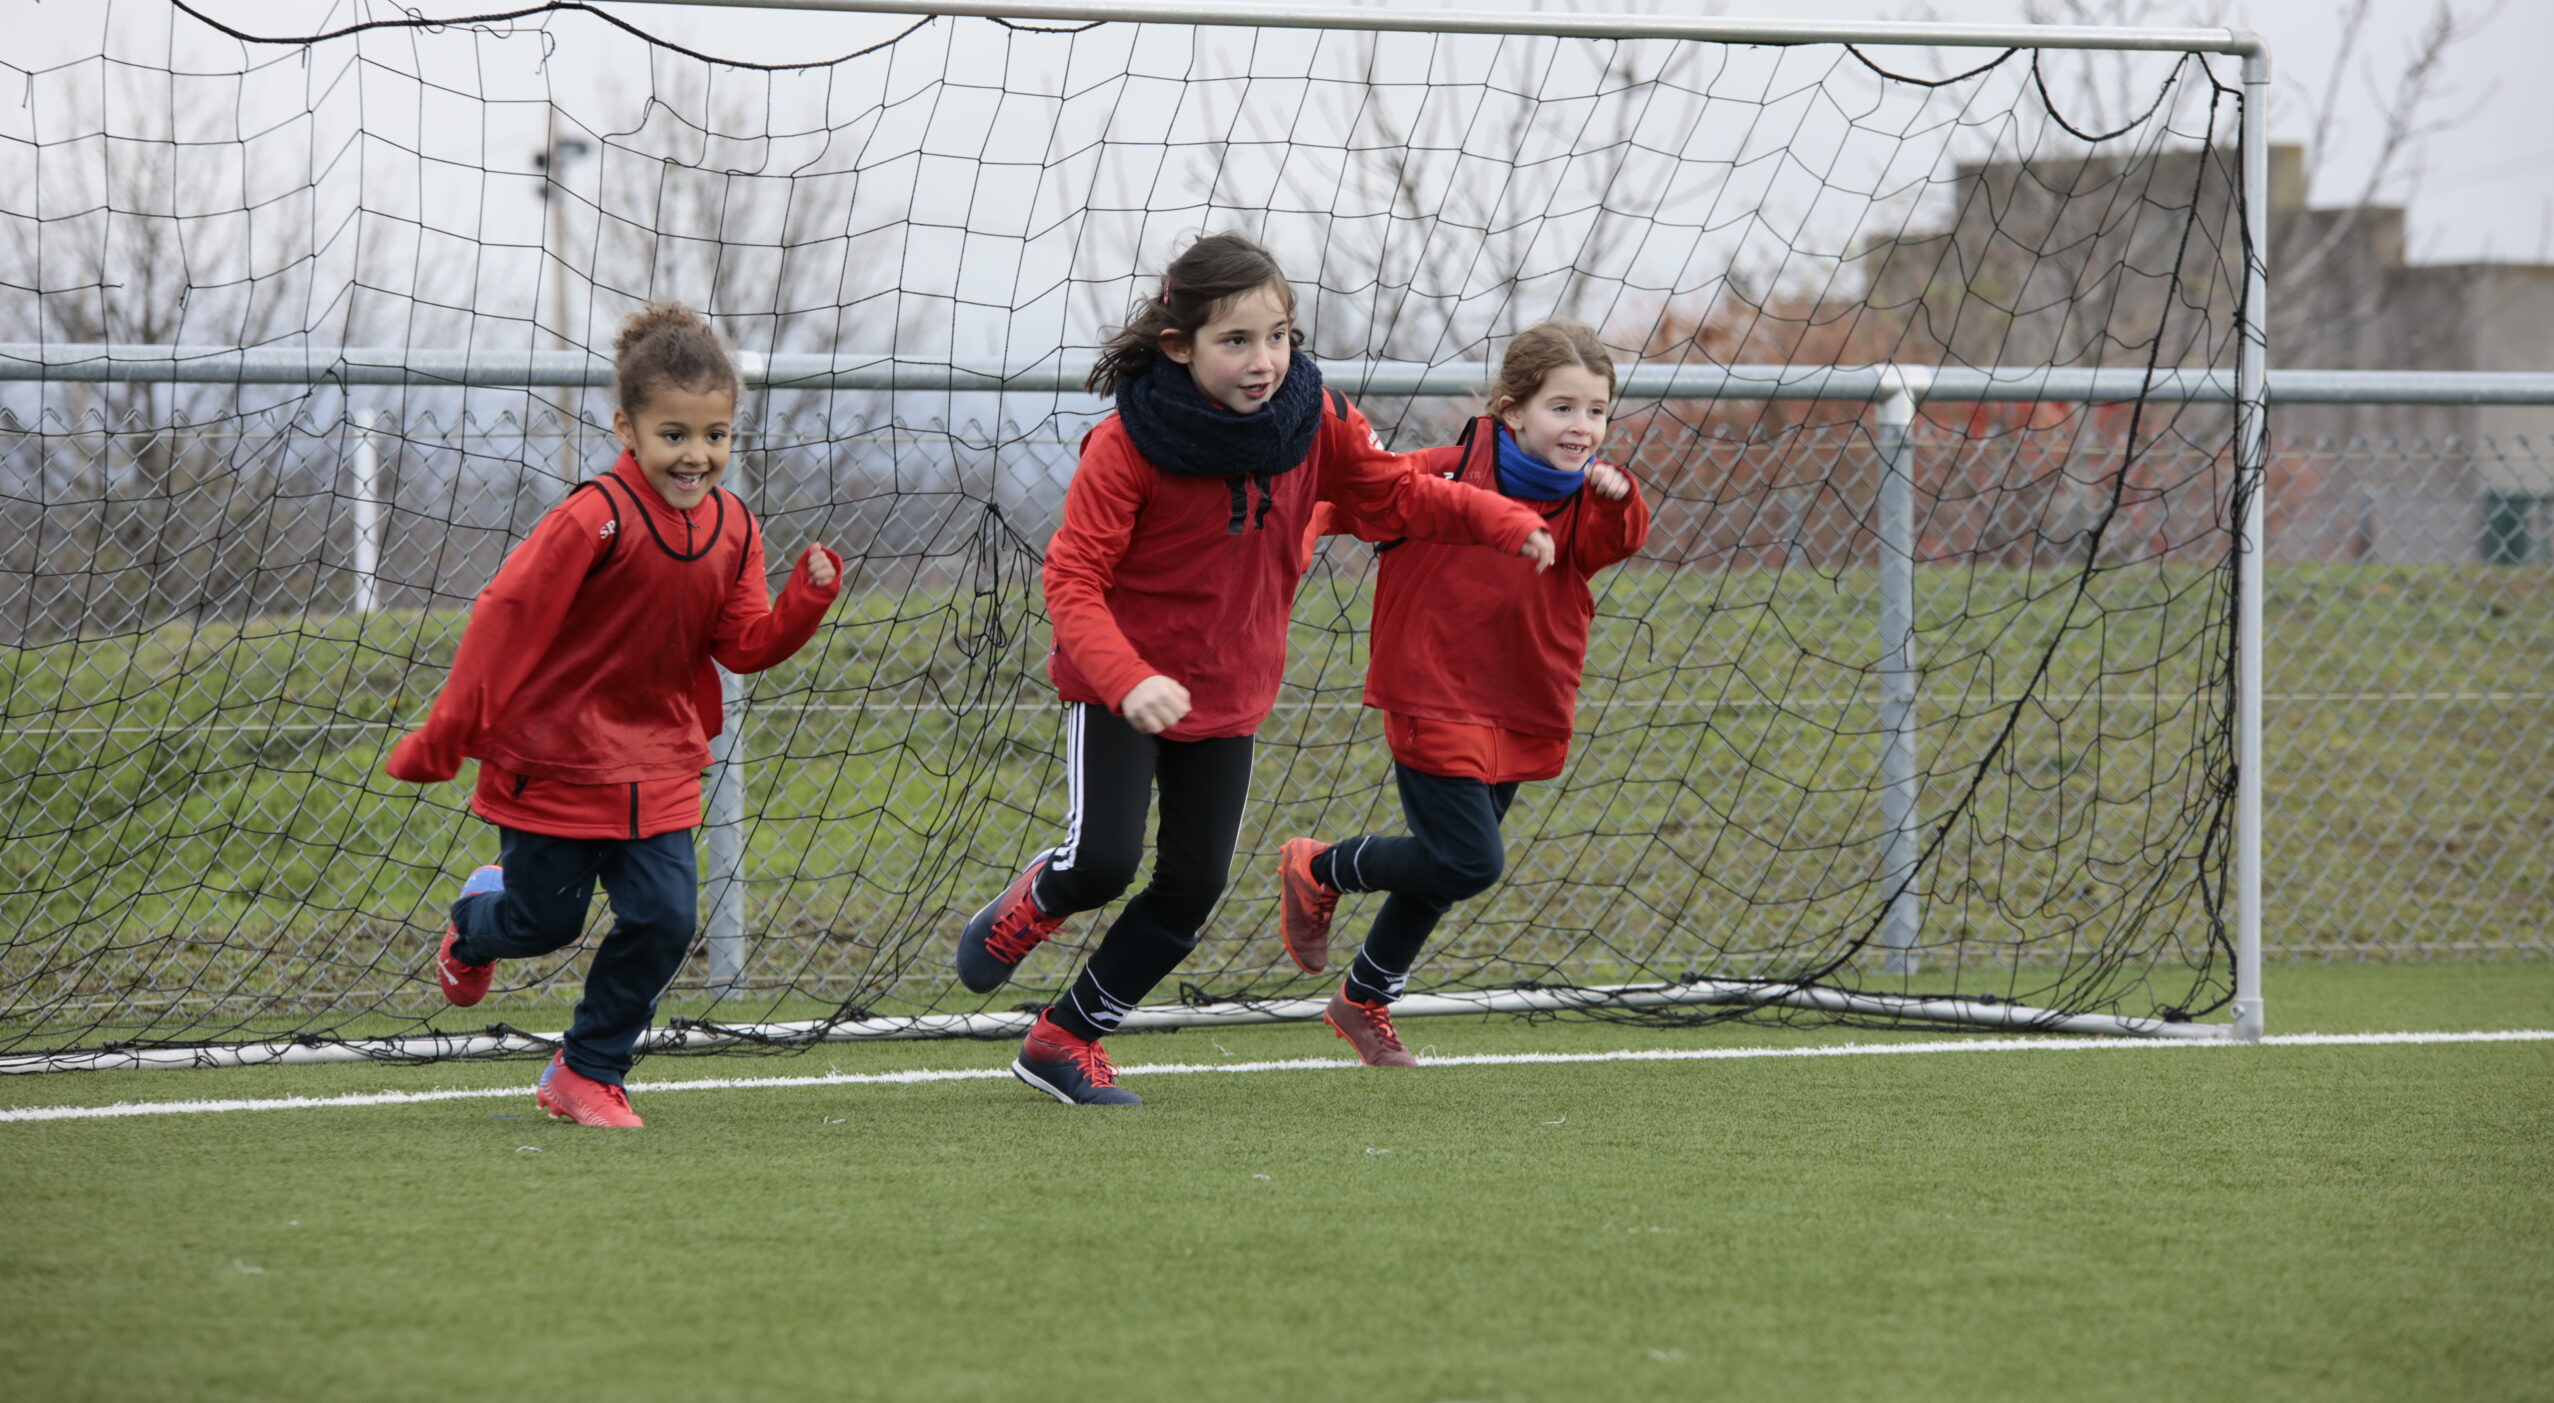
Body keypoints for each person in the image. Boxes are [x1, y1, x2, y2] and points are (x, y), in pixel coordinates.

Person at [954, 233, 1555, 1105]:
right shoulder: (1125, 445)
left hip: (1230, 694)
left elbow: (1395, 493)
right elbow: (1072, 578)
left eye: (1277, 336)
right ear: (1179, 346)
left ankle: (1065, 1038)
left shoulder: (1318, 417)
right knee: (1105, 861)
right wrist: (1128, 678)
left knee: (1192, 887)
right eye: (1235, 340)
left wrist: (1502, 520)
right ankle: (1033, 903)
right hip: (1119, 685)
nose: (1264, 360)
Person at [382, 302, 843, 1128]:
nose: (697, 454)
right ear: (627, 429)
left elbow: (742, 644)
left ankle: (587, 1067)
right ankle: (474, 924)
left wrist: (802, 605)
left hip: (659, 763)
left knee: (666, 919)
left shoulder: (735, 527)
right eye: (675, 434)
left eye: (715, 434)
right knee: (543, 923)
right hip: (554, 761)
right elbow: (505, 616)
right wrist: (449, 730)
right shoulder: (591, 517)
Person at [1279, 319, 1650, 1066]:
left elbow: (1616, 542)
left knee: (1443, 865)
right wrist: (1298, 536)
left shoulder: (1592, 501)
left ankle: (1362, 999)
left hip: (1523, 701)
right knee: (1471, 861)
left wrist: (1617, 498)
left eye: (1596, 411)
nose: (1581, 426)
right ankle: (1320, 867)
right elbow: (1351, 498)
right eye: (1562, 407)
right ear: (1513, 410)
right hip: (1431, 693)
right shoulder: (1440, 475)